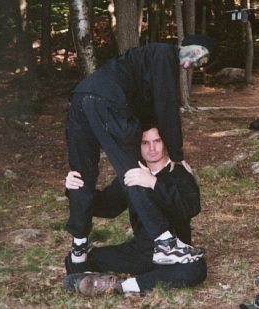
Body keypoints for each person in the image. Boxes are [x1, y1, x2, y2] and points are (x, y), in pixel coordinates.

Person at [64, 35, 215, 266]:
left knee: (79, 177)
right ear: (185, 43)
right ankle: (165, 243)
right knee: (134, 173)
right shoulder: (164, 53)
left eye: (198, 64)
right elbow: (166, 107)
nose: (189, 65)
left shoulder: (142, 63)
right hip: (106, 100)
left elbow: (146, 111)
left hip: (80, 99)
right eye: (196, 55)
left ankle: (79, 246)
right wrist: (176, 154)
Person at [62, 126, 206, 296]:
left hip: (174, 253)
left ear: (165, 143)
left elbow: (191, 208)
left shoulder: (179, 173)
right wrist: (76, 189)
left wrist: (154, 183)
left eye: (157, 141)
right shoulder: (133, 174)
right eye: (145, 142)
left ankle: (122, 285)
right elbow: (107, 207)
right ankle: (86, 282)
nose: (152, 148)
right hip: (140, 252)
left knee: (196, 268)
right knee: (85, 258)